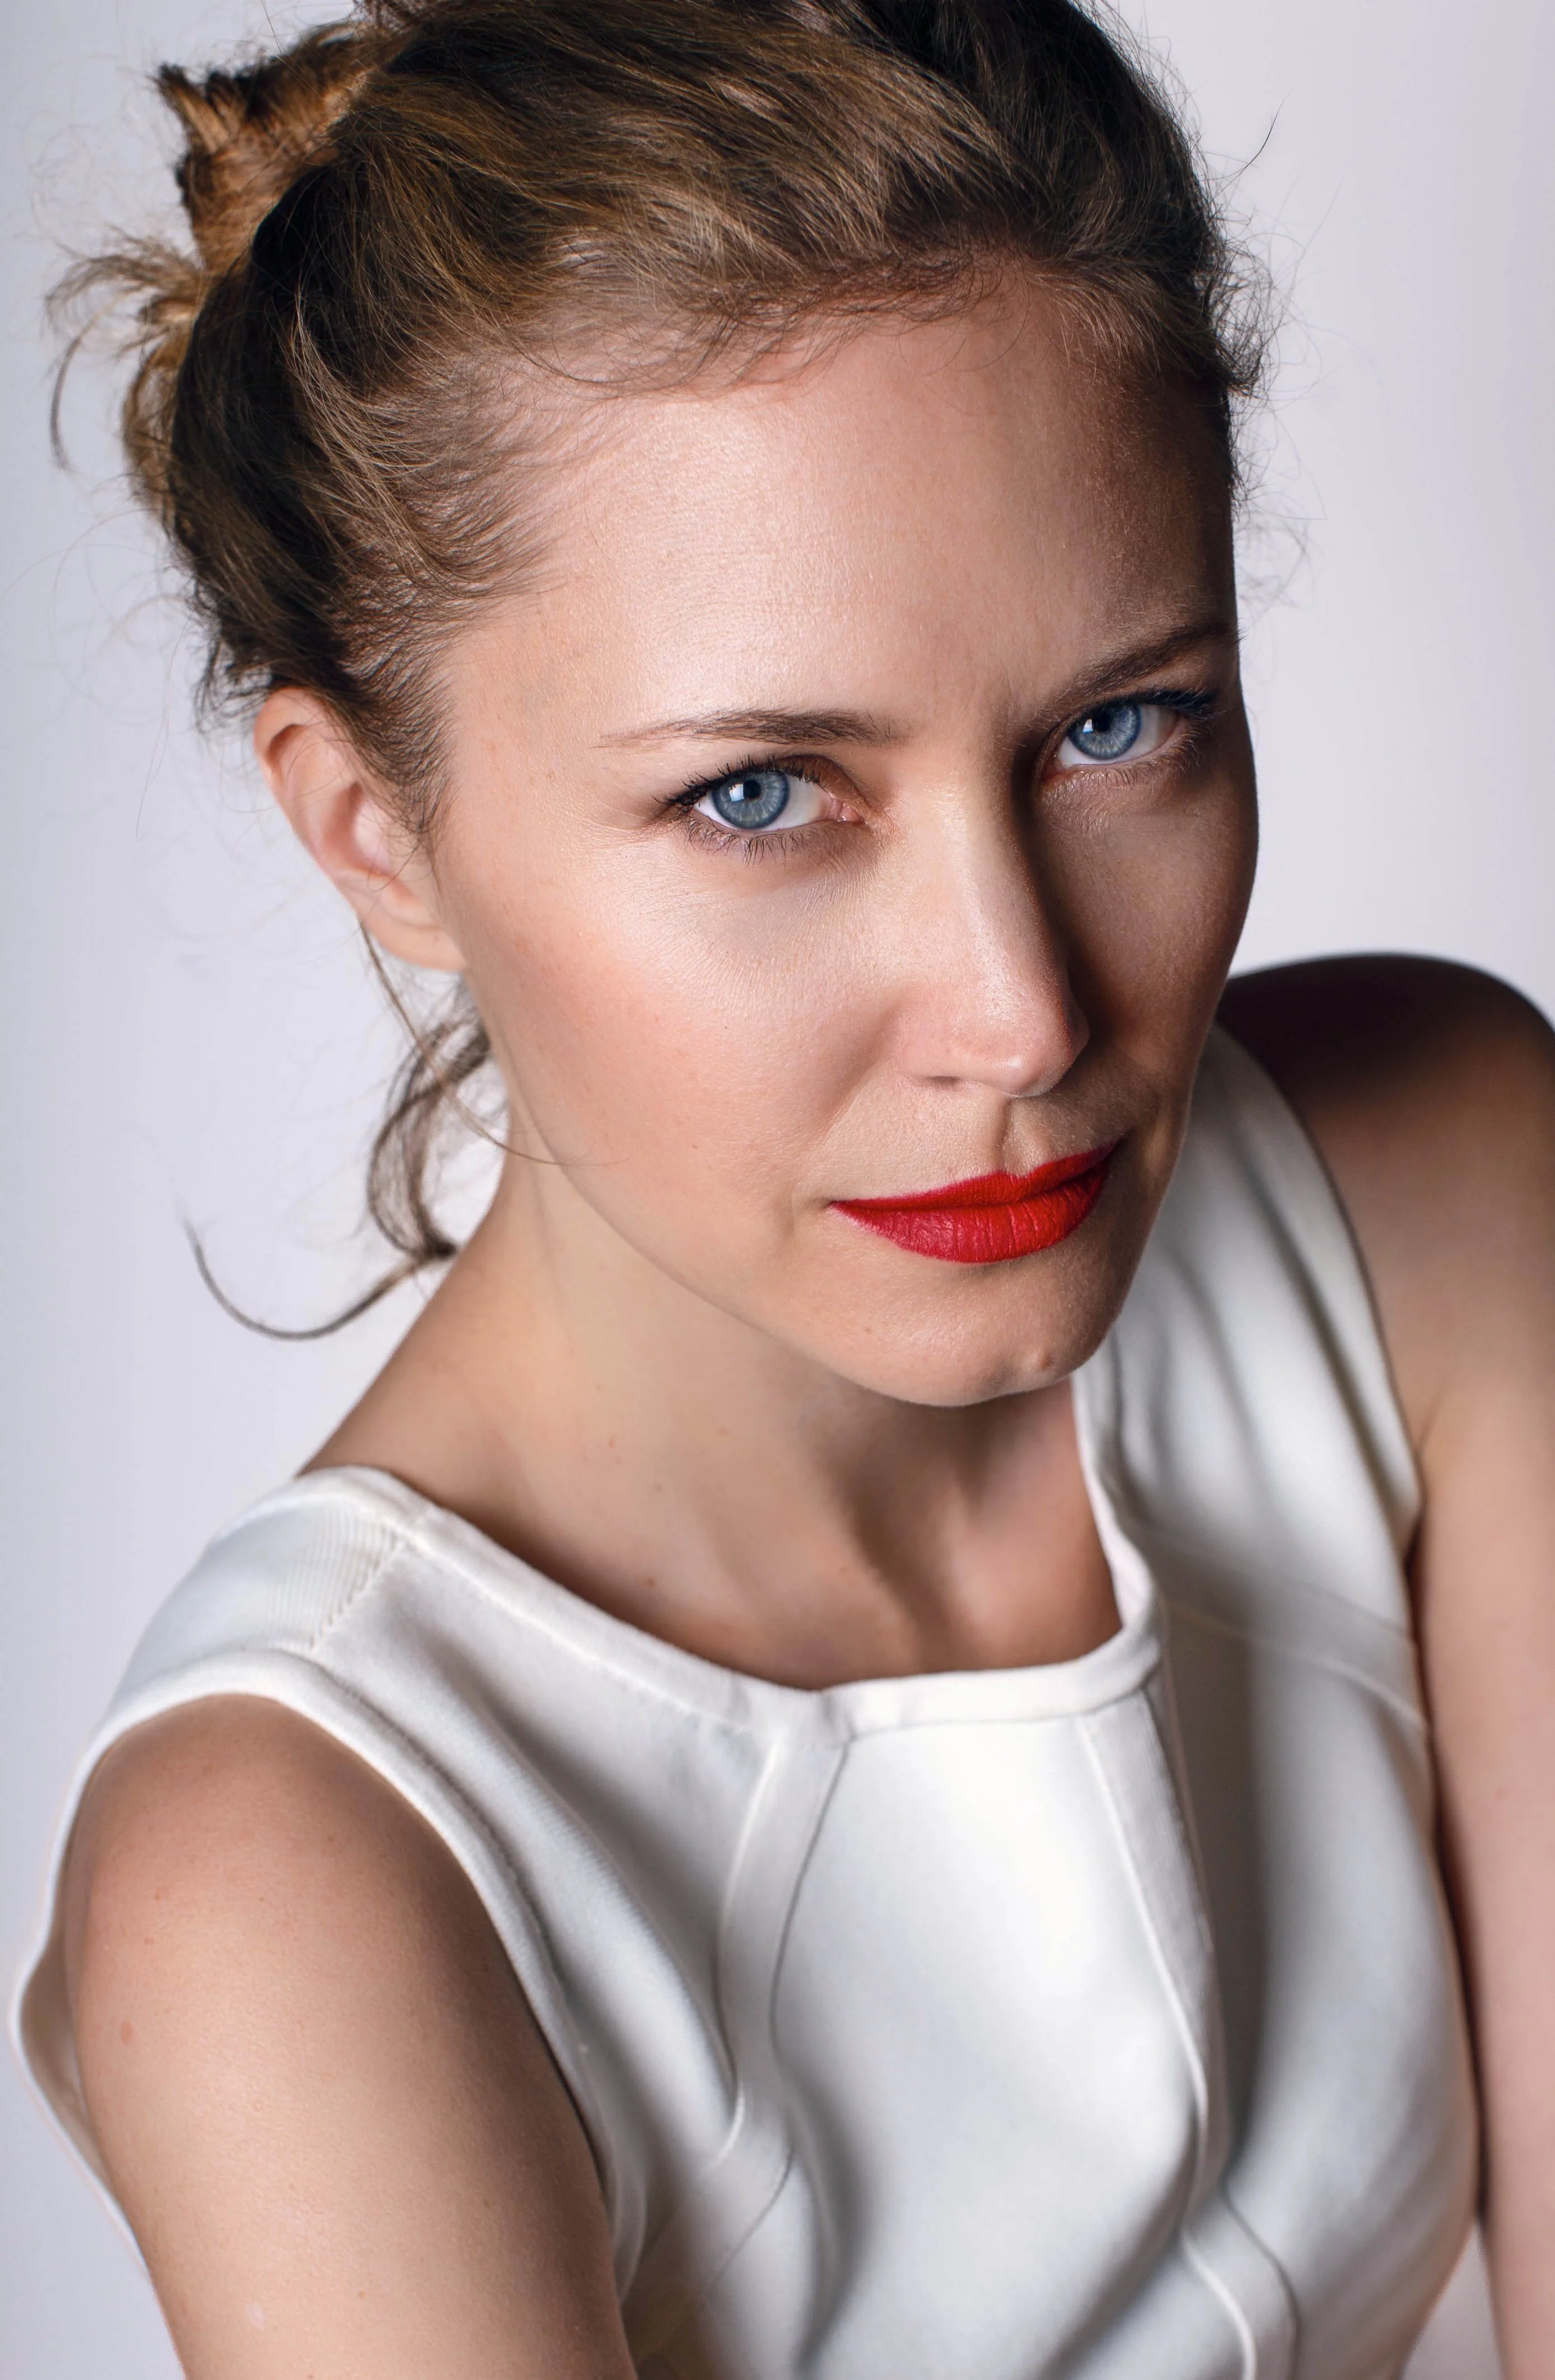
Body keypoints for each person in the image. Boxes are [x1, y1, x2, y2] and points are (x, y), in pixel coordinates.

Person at [12, 0, 1555, 2372]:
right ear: (375, 830)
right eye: (761, 795)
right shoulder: (307, 1875)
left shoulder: (1439, 1169)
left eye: (1117, 726)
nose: (1023, 1015)